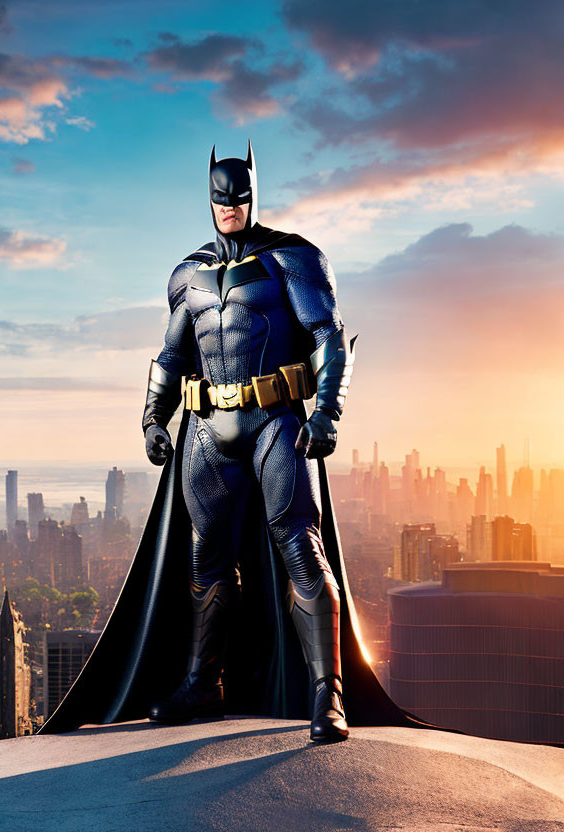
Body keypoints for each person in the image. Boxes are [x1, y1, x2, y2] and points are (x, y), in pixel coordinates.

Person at [38, 143, 422, 741]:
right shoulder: (186, 275)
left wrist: (328, 411)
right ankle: (203, 683)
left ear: (252, 196)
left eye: (238, 199)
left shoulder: (293, 258)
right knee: (206, 555)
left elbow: (327, 334)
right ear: (209, 201)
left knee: (299, 544)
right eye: (221, 200)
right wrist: (151, 418)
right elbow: (171, 352)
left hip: (275, 419)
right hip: (208, 429)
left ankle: (329, 693)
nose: (230, 209)